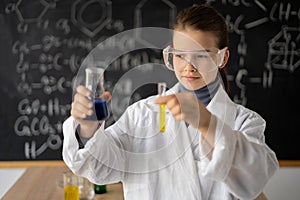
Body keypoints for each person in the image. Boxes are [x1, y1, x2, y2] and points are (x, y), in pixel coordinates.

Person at [62, 4, 279, 200]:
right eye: (180, 55)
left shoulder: (245, 121)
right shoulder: (143, 113)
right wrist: (88, 130)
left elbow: (255, 179)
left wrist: (207, 123)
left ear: (222, 57)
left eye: (202, 55)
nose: (189, 67)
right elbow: (101, 170)